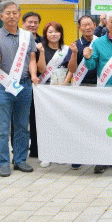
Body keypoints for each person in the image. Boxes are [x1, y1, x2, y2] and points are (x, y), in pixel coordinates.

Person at [0, 1, 39, 177]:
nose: (11, 16)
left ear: (19, 15)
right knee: (2, 127)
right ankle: (3, 163)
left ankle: (20, 159)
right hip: (3, 86)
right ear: (1, 16)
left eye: (15, 12)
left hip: (24, 85)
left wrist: (33, 75)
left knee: (22, 125)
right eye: (8, 13)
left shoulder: (27, 36)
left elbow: (32, 59)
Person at [82, 11, 112, 174]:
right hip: (105, 91)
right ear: (107, 23)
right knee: (103, 126)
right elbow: (91, 66)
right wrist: (87, 57)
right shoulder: (98, 43)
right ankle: (101, 159)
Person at [62, 15, 98, 171]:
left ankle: (96, 155)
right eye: (84, 25)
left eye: (90, 24)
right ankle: (77, 156)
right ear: (79, 28)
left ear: (94, 25)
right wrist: (74, 53)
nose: (87, 27)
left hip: (98, 86)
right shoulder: (75, 45)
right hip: (80, 86)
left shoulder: (101, 42)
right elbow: (71, 69)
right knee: (79, 122)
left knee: (96, 123)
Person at [35, 21, 69, 168]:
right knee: (45, 123)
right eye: (50, 32)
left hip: (62, 91)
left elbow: (71, 69)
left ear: (61, 33)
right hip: (45, 92)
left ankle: (59, 153)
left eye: (56, 31)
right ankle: (46, 155)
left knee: (60, 123)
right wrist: (42, 52)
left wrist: (65, 83)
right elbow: (42, 70)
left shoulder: (66, 50)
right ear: (45, 34)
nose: (53, 34)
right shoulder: (41, 49)